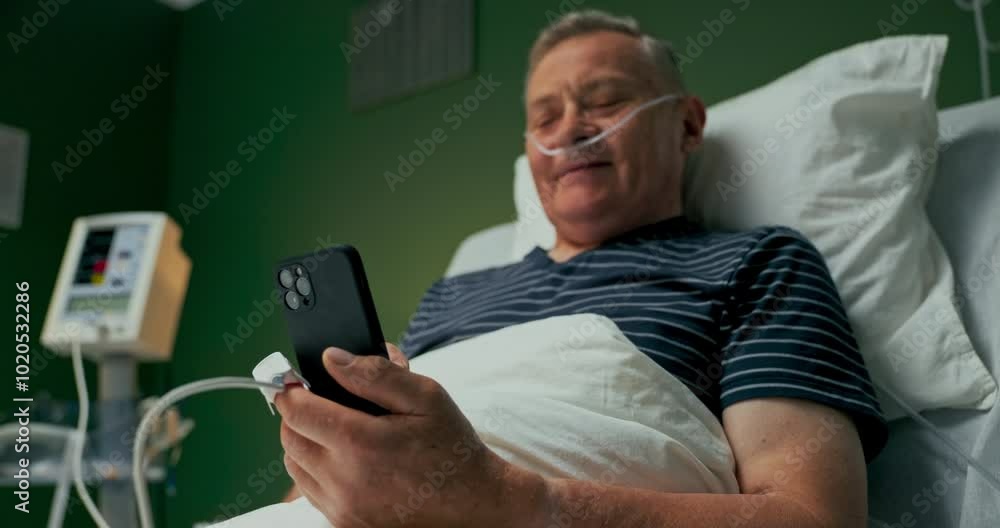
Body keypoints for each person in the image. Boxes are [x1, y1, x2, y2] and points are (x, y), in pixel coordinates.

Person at [275, 10, 887, 527]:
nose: (569, 130)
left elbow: (813, 516)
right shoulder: (451, 295)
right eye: (545, 118)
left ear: (687, 124)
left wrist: (511, 501)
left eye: (606, 101)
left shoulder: (759, 263)